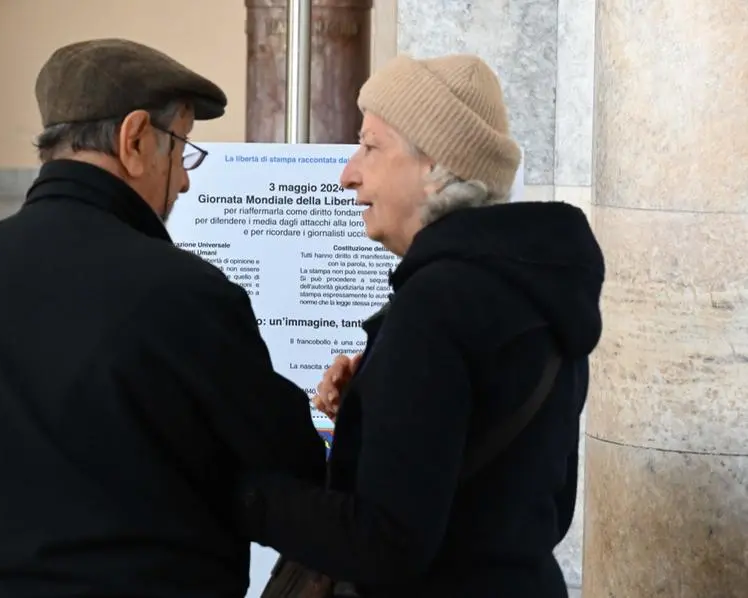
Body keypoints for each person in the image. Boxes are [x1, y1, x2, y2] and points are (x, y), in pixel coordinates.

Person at [0, 38, 325, 598]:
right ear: (135, 139)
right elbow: (291, 460)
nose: (184, 180)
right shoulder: (185, 290)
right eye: (181, 149)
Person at [233, 54, 605, 597]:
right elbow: (546, 499)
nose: (348, 173)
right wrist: (371, 411)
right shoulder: (539, 289)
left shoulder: (436, 307)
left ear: (436, 168)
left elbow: (387, 544)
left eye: (370, 146)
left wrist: (244, 494)